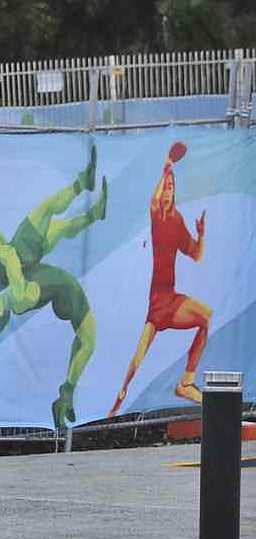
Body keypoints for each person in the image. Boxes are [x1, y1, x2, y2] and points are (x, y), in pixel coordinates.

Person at [0, 146, 107, 428]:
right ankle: (82, 185)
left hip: (25, 260)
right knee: (46, 214)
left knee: (57, 227)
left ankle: (93, 212)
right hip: (22, 260)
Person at [110, 141, 210, 415]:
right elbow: (153, 200)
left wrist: (201, 234)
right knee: (136, 361)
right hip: (157, 302)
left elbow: (196, 255)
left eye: (171, 187)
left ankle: (186, 382)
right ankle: (117, 403)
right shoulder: (158, 215)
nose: (167, 191)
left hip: (172, 298)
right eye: (165, 186)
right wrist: (167, 166)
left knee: (205, 317)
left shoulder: (177, 220)